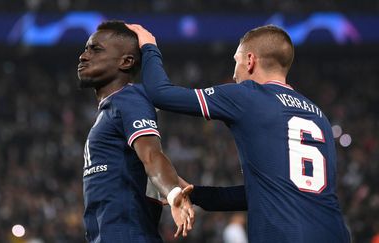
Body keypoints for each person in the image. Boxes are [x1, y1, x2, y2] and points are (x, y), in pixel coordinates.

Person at [127, 23, 351, 242]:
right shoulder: (318, 115)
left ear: (250, 61)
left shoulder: (248, 95)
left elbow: (161, 94)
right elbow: (266, 192)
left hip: (285, 234)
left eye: (236, 62)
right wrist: (196, 194)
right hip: (335, 232)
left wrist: (149, 47)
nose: (234, 74)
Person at [76, 20, 194, 243]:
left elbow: (151, 155)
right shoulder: (110, 110)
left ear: (126, 61)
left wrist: (173, 194)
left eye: (95, 49)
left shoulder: (129, 99)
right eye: (85, 49)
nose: (83, 56)